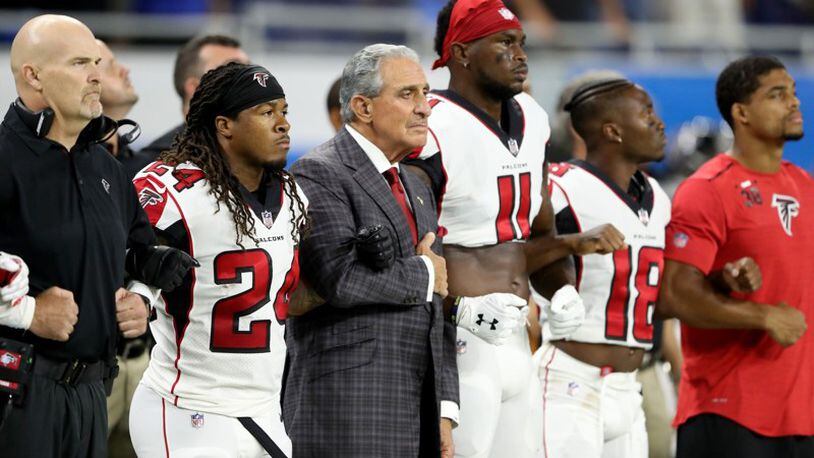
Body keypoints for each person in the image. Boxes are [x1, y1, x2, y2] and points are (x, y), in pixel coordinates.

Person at [0, 14, 195, 457]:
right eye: (79, 63)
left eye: (96, 62)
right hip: (16, 394)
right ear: (34, 76)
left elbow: (138, 251)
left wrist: (141, 297)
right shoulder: (4, 159)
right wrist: (28, 312)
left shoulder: (106, 167)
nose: (96, 76)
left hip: (92, 394)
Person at [404, 1, 586, 456]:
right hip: (454, 341)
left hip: (518, 337)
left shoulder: (533, 116)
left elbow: (539, 235)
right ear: (462, 53)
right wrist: (458, 308)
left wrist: (560, 287)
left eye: (522, 42)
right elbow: (405, 249)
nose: (520, 54)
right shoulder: (431, 125)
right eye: (505, 43)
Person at [284, 43, 456, 457]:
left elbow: (437, 306)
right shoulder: (318, 171)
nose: (425, 108)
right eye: (407, 94)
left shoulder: (416, 185)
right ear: (362, 107)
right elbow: (338, 279)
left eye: (425, 93)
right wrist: (425, 273)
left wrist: (445, 407)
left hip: (419, 406)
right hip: (347, 404)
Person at [128, 62, 307, 457]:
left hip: (263, 408)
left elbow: (284, 295)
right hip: (189, 408)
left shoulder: (293, 197)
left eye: (284, 110)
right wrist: (138, 287)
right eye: (266, 112)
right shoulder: (173, 189)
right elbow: (122, 258)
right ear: (224, 125)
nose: (283, 124)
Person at [657, 56, 814, 457]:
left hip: (800, 413)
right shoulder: (708, 189)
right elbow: (675, 294)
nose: (794, 103)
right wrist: (763, 315)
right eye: (777, 95)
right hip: (729, 411)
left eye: (793, 93)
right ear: (741, 112)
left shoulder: (803, 184)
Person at [538, 78, 669, 457]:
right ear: (612, 130)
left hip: (629, 386)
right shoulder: (561, 186)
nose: (659, 123)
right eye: (646, 113)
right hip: (571, 376)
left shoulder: (657, 197)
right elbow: (515, 256)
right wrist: (573, 243)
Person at [94, 38, 151, 458]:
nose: (124, 70)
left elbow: (153, 256)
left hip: (143, 357)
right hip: (76, 366)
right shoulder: (27, 163)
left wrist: (143, 295)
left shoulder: (143, 164)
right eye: (110, 63)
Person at [128, 34, 249, 173]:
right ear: (196, 89)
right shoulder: (148, 167)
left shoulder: (266, 156)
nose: (251, 81)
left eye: (250, 70)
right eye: (233, 70)